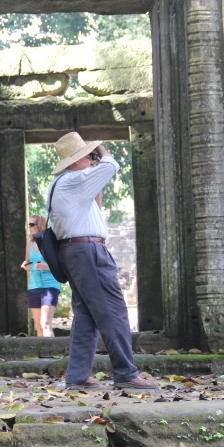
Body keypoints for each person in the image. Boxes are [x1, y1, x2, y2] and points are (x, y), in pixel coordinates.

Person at [47, 131, 159, 390]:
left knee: (86, 315)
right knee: (114, 311)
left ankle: (76, 376)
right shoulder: (72, 180)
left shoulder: (64, 183)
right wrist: (103, 150)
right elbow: (112, 165)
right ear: (74, 162)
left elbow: (95, 205)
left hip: (78, 252)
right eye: (89, 156)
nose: (93, 159)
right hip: (87, 252)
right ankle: (125, 373)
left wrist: (93, 160)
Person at [21, 214, 60, 337]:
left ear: (40, 225)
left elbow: (60, 265)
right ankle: (41, 355)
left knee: (45, 324)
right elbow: (27, 263)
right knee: (38, 327)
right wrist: (26, 266)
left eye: (32, 224)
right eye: (29, 224)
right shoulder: (30, 244)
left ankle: (53, 354)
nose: (30, 227)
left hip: (50, 285)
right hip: (34, 286)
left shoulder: (50, 243)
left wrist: (46, 266)